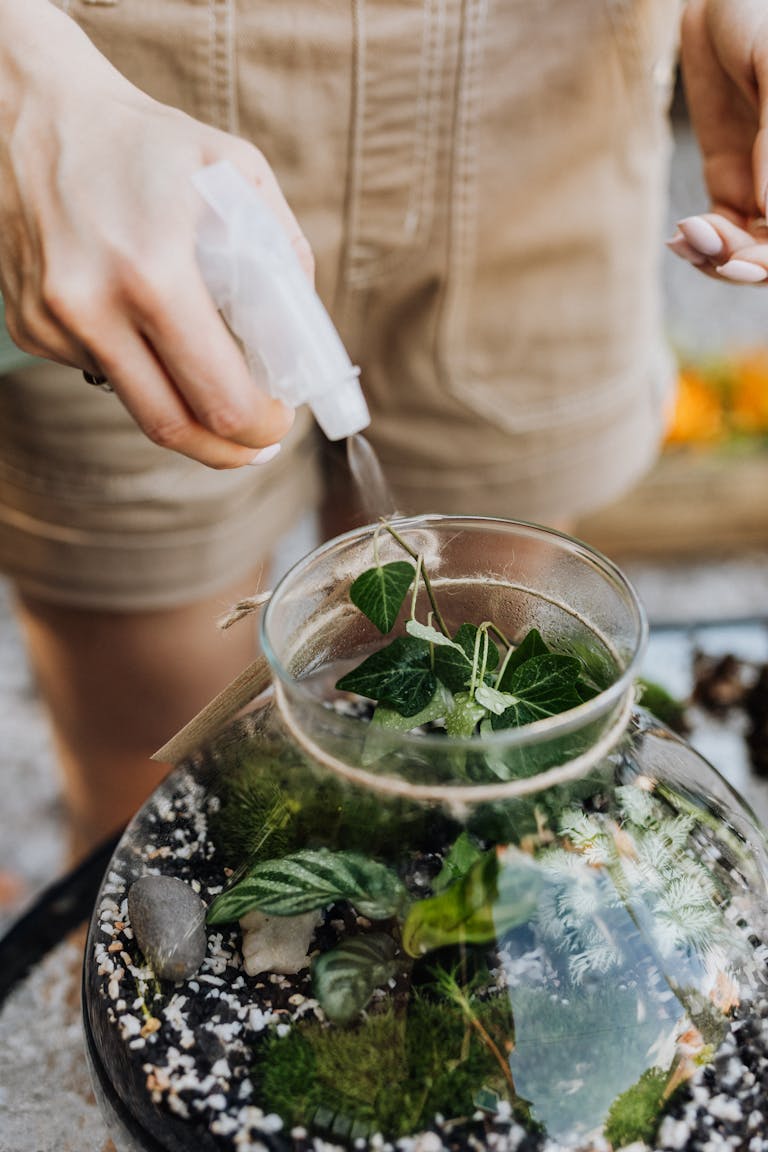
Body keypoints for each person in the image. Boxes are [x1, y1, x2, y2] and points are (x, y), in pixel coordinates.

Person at [0, 0, 764, 856]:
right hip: (122, 117)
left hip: (548, 107)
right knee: (152, 783)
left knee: (480, 721)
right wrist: (21, 82)